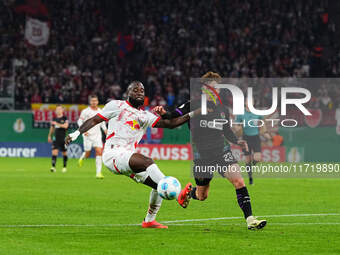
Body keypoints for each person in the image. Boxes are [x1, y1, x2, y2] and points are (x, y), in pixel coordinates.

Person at [66, 81, 197, 229]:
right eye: (135, 90)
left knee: (158, 185)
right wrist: (76, 133)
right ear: (128, 93)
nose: (140, 92)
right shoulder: (117, 105)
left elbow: (171, 124)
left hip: (128, 157)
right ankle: (179, 195)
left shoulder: (145, 116)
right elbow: (95, 119)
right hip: (113, 154)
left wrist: (193, 113)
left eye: (142, 90)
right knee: (148, 162)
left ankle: (149, 221)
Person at [153, 72, 267, 230]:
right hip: (202, 156)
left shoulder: (222, 109)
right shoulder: (192, 104)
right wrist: (164, 113)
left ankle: (250, 219)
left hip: (222, 151)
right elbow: (173, 115)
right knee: (202, 196)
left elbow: (227, 131)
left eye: (218, 88)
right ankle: (190, 192)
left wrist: (237, 141)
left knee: (239, 181)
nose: (217, 91)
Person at [235, 101, 271, 185]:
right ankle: (250, 179)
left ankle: (252, 165)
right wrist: (238, 129)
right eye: (248, 101)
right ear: (245, 103)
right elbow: (237, 125)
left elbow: (262, 123)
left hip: (256, 138)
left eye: (251, 101)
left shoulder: (257, 113)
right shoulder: (241, 113)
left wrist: (265, 133)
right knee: (247, 160)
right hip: (245, 138)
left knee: (257, 158)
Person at [77, 95, 107, 179]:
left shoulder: (101, 111)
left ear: (97, 102)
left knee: (99, 152)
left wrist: (105, 130)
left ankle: (98, 173)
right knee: (88, 153)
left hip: (97, 135)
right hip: (87, 135)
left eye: (95, 101)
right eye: (92, 101)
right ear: (90, 102)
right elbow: (79, 121)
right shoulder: (85, 111)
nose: (94, 102)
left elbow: (102, 123)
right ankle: (82, 158)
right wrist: (83, 130)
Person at [47, 105, 69, 173]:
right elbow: (52, 128)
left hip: (63, 139)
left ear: (62, 110)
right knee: (54, 152)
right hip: (56, 139)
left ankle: (64, 167)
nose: (58, 110)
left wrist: (57, 124)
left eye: (59, 109)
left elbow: (66, 126)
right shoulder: (54, 119)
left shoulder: (65, 118)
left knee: (64, 153)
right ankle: (53, 167)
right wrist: (49, 136)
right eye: (57, 109)